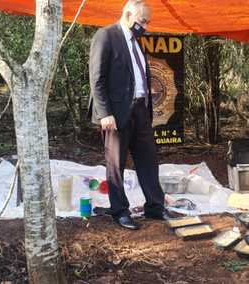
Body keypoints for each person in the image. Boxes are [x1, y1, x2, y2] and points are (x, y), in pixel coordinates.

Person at [88, 0, 170, 230]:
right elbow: (97, 78)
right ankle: (120, 211)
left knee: (148, 159)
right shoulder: (106, 36)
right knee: (116, 163)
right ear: (127, 14)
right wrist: (105, 113)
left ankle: (155, 207)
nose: (145, 26)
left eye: (147, 22)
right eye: (142, 20)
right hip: (115, 113)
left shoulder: (136, 42)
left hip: (140, 110)